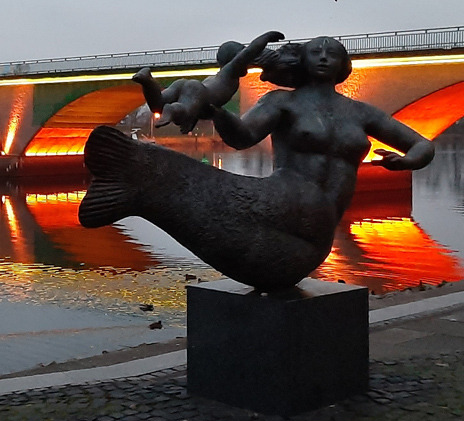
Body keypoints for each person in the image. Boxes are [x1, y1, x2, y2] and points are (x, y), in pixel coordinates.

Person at [79, 35, 434, 291]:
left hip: (318, 228)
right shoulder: (281, 103)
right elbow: (242, 137)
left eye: (333, 53)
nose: (324, 57)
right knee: (187, 183)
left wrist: (405, 162)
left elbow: (422, 144)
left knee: (276, 258)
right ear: (302, 61)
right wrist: (215, 110)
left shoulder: (361, 113)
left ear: (344, 65)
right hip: (288, 200)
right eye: (316, 52)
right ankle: (134, 177)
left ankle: (135, 183)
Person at [132, 30, 284, 134]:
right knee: (183, 111)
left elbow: (198, 104)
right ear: (234, 59)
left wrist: (192, 120)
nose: (247, 65)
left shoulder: (214, 78)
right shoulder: (230, 72)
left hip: (189, 85)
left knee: (157, 105)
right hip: (198, 90)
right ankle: (172, 110)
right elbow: (248, 53)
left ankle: (147, 81)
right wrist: (265, 38)